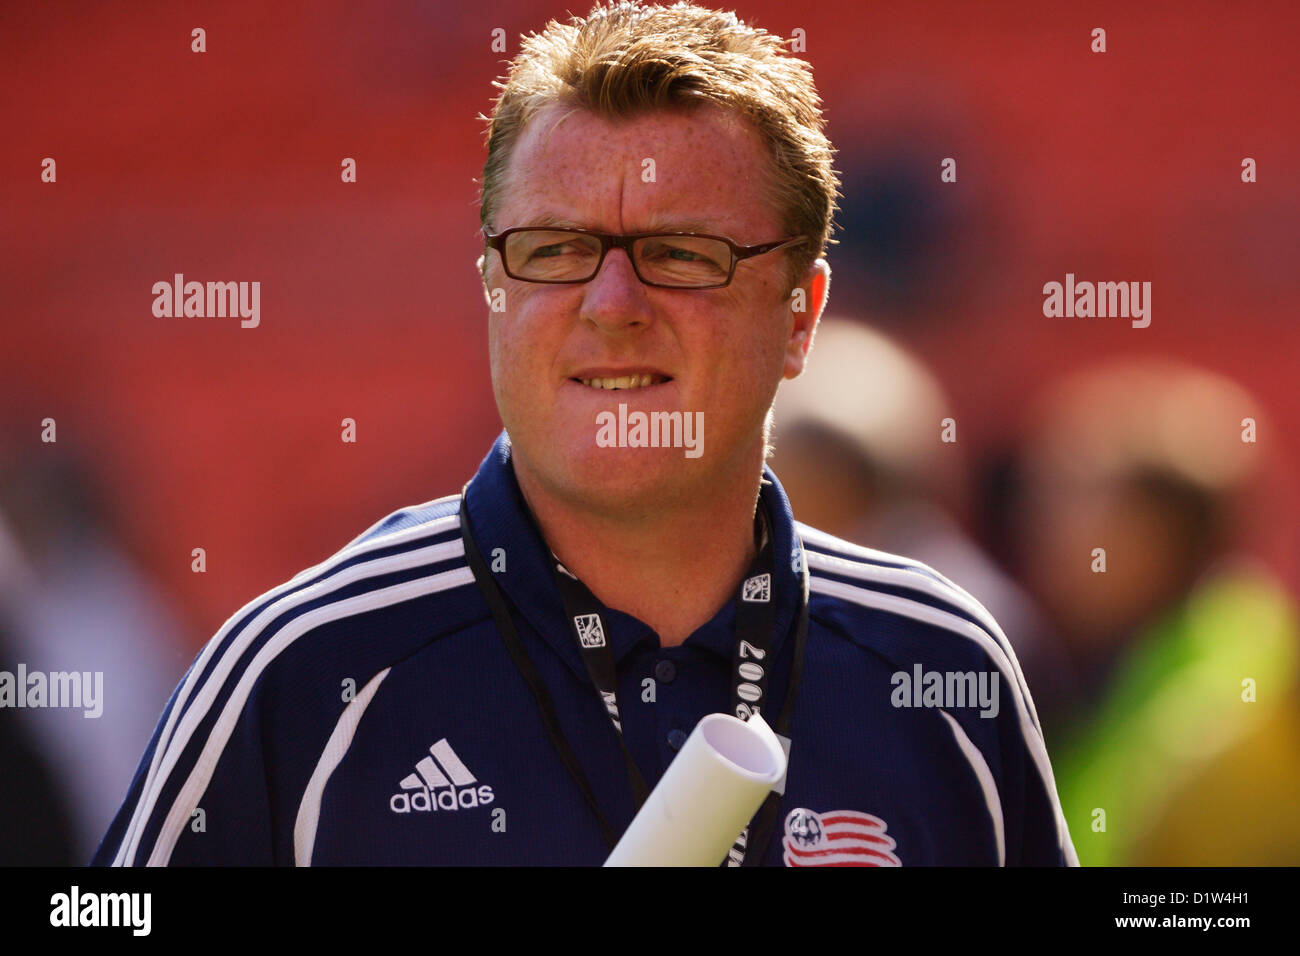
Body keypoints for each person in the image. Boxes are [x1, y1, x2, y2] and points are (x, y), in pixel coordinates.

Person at [93, 0, 1075, 867]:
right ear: (493, 286)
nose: (611, 303)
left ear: (799, 316)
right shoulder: (300, 671)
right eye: (554, 249)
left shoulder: (942, 671)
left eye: (681, 252)